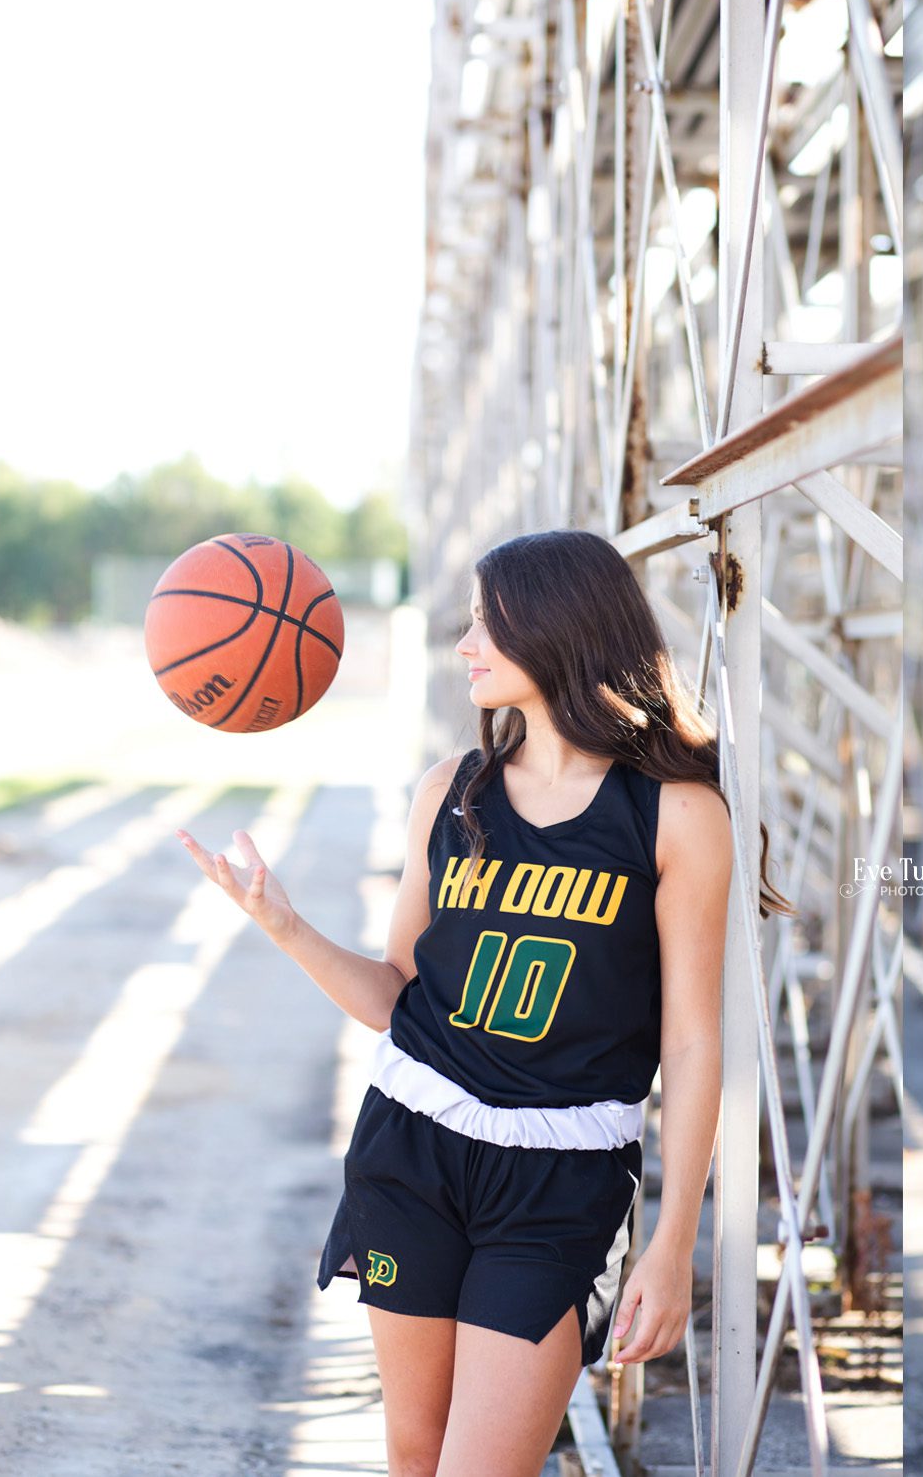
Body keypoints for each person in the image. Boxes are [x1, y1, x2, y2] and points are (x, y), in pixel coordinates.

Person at [178, 529, 790, 1477]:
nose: (465, 646)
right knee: (415, 1454)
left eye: (484, 624)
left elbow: (694, 1041)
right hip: (412, 1149)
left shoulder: (674, 815)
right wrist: (284, 924)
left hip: (559, 1178)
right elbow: (395, 996)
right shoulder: (451, 793)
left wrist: (675, 1246)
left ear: (554, 631)